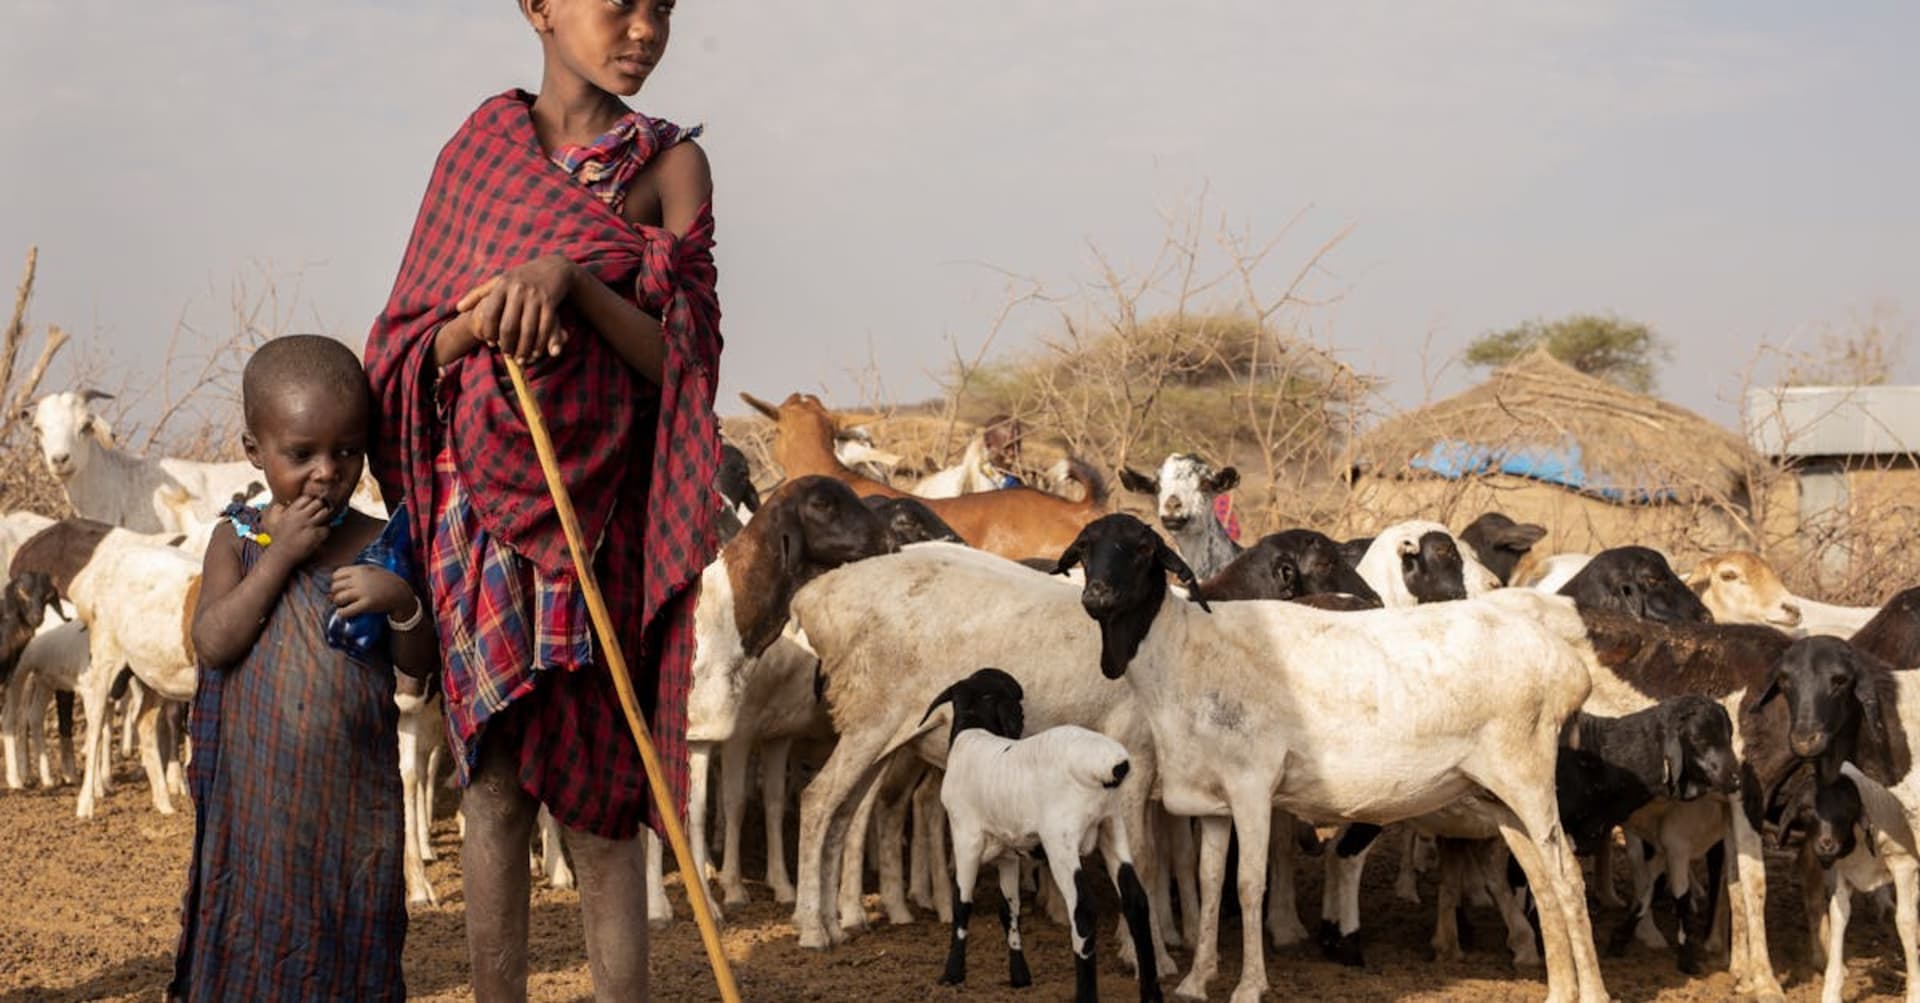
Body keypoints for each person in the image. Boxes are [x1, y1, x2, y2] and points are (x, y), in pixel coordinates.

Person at [363, 0, 722, 999]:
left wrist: (569, 279)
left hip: (600, 519)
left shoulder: (668, 168)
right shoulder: (475, 154)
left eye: (664, 8)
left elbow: (681, 364)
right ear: (539, 7)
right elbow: (403, 349)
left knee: (605, 803)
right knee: (493, 790)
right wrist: (486, 318)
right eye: (619, 5)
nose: (644, 28)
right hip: (480, 512)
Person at [170, 334, 437, 1002]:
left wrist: (402, 601)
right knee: (252, 950)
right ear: (255, 452)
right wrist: (282, 554)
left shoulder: (380, 542)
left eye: (347, 451)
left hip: (349, 823)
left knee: (346, 951)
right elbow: (214, 640)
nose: (327, 470)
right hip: (254, 819)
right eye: (302, 454)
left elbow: (417, 671)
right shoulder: (238, 537)